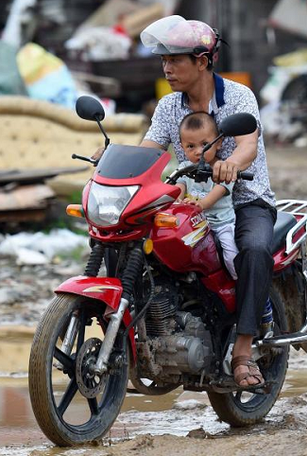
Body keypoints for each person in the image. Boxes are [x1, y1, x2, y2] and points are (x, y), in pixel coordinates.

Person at [94, 15, 275, 388]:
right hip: (190, 202)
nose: (167, 68)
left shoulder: (239, 97)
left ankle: (243, 350)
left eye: (175, 60)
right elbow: (150, 150)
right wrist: (114, 160)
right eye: (164, 61)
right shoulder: (168, 107)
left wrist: (229, 165)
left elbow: (248, 145)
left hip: (244, 201)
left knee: (254, 250)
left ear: (203, 61)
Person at [175, 111, 238, 280]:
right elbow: (179, 187)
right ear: (182, 147)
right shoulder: (184, 167)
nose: (198, 152)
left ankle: (242, 286)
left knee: (231, 256)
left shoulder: (223, 168)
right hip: (195, 226)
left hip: (221, 224)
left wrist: (201, 204)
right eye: (190, 146)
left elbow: (217, 192)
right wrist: (177, 202)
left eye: (205, 144)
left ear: (218, 143)